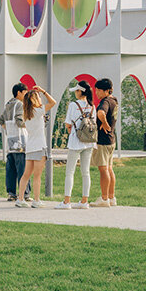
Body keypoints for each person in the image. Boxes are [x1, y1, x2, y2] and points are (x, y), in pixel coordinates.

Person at [55, 80, 96, 209]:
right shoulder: (92, 106)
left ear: (80, 91)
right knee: (86, 172)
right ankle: (85, 200)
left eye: (76, 91)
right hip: (89, 142)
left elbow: (68, 123)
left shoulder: (74, 105)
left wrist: (72, 130)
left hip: (75, 141)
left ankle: (67, 201)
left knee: (70, 172)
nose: (75, 93)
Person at [15, 85, 56, 208]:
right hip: (39, 147)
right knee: (37, 176)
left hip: (30, 147)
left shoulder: (26, 114)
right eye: (38, 97)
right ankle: (36, 200)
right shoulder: (38, 112)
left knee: (26, 175)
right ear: (34, 99)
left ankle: (20, 199)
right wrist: (43, 91)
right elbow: (53, 102)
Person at [0, 82, 28, 201]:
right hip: (21, 140)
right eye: (25, 92)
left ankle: (11, 193)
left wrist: (7, 129)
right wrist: (31, 124)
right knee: (23, 168)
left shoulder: (8, 104)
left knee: (11, 168)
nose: (26, 95)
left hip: (10, 140)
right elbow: (20, 122)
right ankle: (24, 193)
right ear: (19, 92)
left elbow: (1, 120)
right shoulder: (20, 105)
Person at [91, 78, 119, 207]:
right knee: (109, 169)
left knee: (103, 170)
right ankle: (111, 197)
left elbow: (101, 113)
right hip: (111, 139)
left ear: (106, 91)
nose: (96, 93)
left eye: (99, 90)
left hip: (102, 140)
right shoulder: (114, 100)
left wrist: (104, 123)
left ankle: (104, 198)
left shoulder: (105, 101)